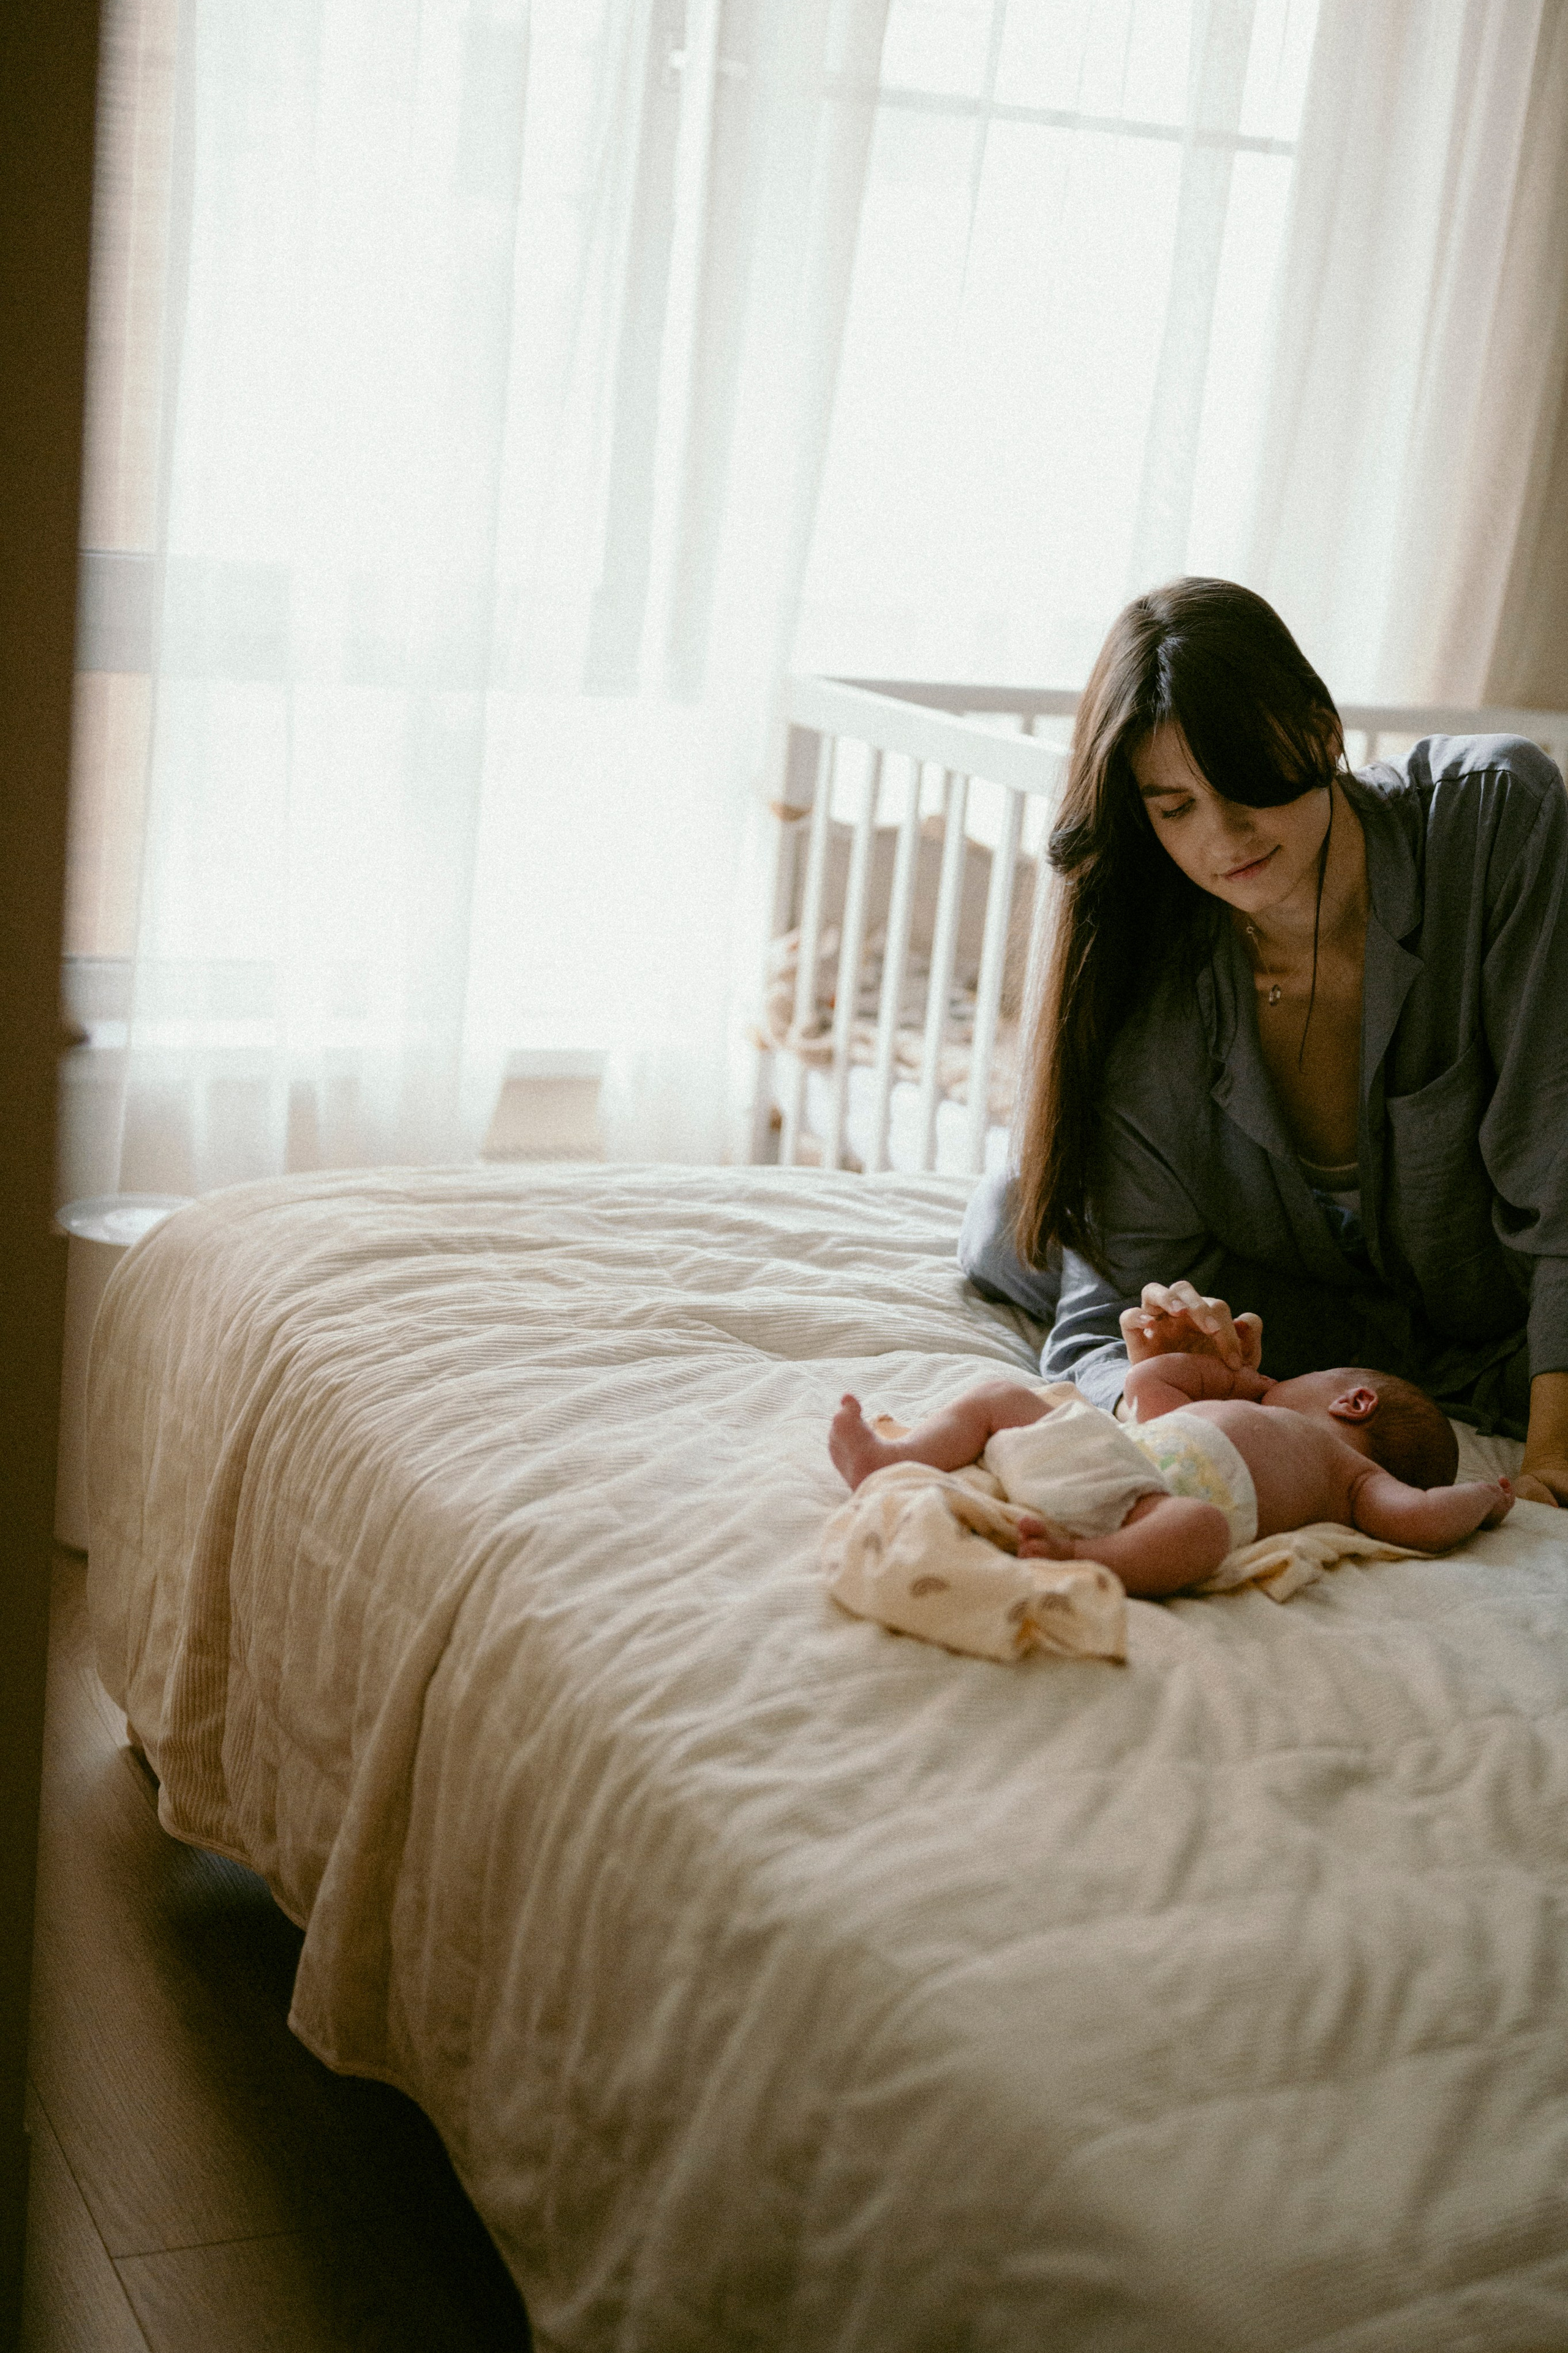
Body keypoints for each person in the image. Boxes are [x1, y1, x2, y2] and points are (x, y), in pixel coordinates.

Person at [957, 578, 1568, 1506]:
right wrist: (1164, 1376)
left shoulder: (1492, 822)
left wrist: (1553, 1463)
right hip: (1297, 1333)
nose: (1225, 835)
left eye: (1243, 780)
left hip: (1496, 1315)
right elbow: (1096, 1331)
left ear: (1322, 728)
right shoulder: (1148, 977)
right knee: (1015, 1223)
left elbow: (1558, 1183)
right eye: (1174, 807)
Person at [827, 1334, 1513, 1600]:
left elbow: (1419, 1519)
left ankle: (1089, 1555)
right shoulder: (1244, 1410)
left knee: (1204, 1528)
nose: (1276, 1382)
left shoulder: (1354, 1479)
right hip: (1112, 1456)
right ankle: (893, 1458)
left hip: (1148, 1510)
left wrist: (1484, 1497)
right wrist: (1217, 1372)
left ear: (1353, 1401)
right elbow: (1147, 1387)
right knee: (1005, 1396)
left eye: (1304, 1372)